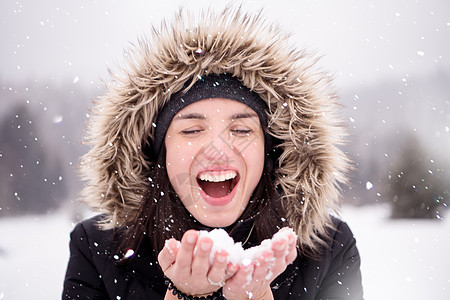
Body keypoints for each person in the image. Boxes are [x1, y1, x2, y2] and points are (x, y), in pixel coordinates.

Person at [62, 7, 363, 300]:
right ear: (158, 152)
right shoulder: (97, 248)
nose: (218, 150)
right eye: (192, 130)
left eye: (242, 130)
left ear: (271, 152)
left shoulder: (328, 248)